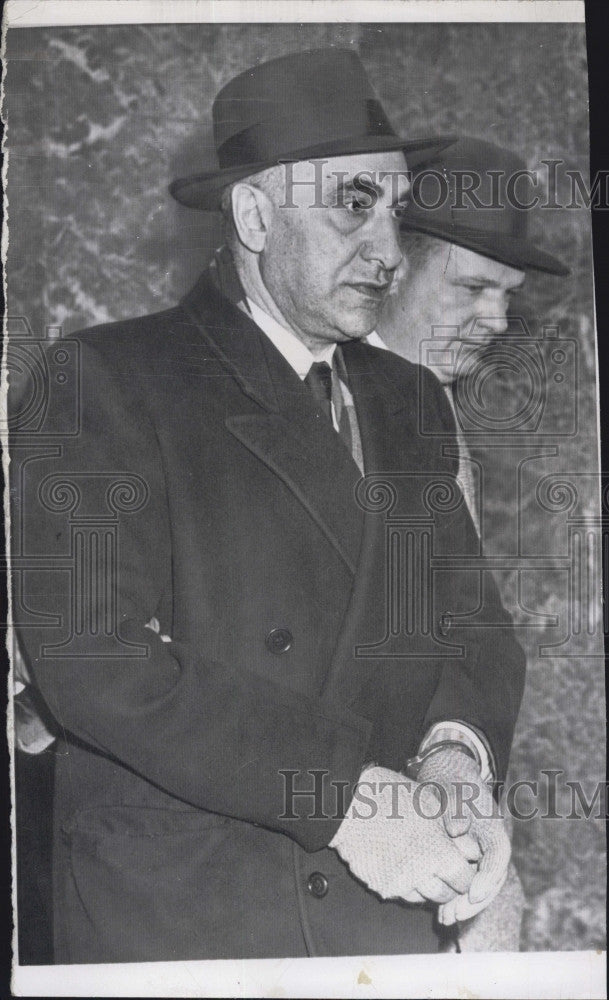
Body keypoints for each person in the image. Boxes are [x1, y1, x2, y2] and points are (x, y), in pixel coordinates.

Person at [10, 50, 525, 964]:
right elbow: (93, 659)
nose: (388, 250)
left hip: (384, 915)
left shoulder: (408, 403)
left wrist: (453, 755)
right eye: (352, 205)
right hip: (190, 922)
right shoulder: (103, 380)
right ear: (253, 214)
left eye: (396, 212)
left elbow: (466, 629)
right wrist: (341, 797)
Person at [372, 137, 569, 948]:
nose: (495, 319)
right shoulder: (301, 401)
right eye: (472, 287)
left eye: (506, 294)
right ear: (387, 264)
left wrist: (456, 764)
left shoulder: (430, 402)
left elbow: (459, 627)